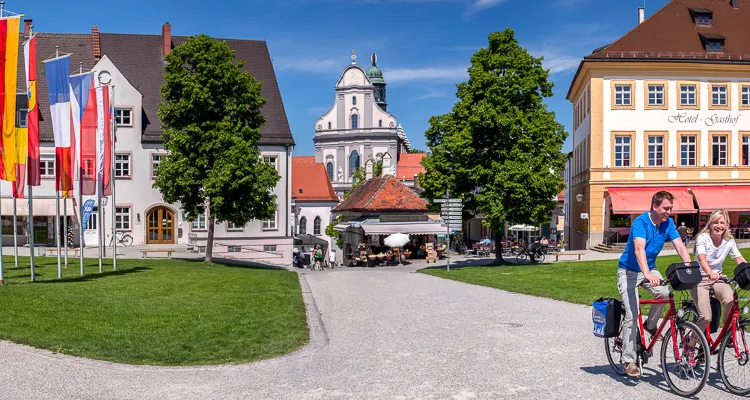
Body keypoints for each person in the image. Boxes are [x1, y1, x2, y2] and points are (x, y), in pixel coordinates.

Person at [617, 190, 692, 377]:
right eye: (666, 208)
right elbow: (639, 249)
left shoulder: (668, 223)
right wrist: (647, 274)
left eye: (671, 208)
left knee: (666, 293)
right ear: (654, 206)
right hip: (629, 271)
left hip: (649, 268)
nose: (669, 211)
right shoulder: (641, 222)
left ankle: (650, 324)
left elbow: (680, 246)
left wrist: (690, 266)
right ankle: (629, 360)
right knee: (632, 315)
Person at [689, 209, 746, 335]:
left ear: (726, 225)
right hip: (700, 279)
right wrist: (710, 272)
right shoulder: (703, 238)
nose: (719, 226)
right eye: (715, 222)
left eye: (722, 223)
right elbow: (701, 258)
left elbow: (739, 258)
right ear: (710, 224)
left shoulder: (729, 241)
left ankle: (727, 332)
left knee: (731, 301)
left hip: (718, 278)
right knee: (706, 317)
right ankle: (692, 343)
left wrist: (747, 270)